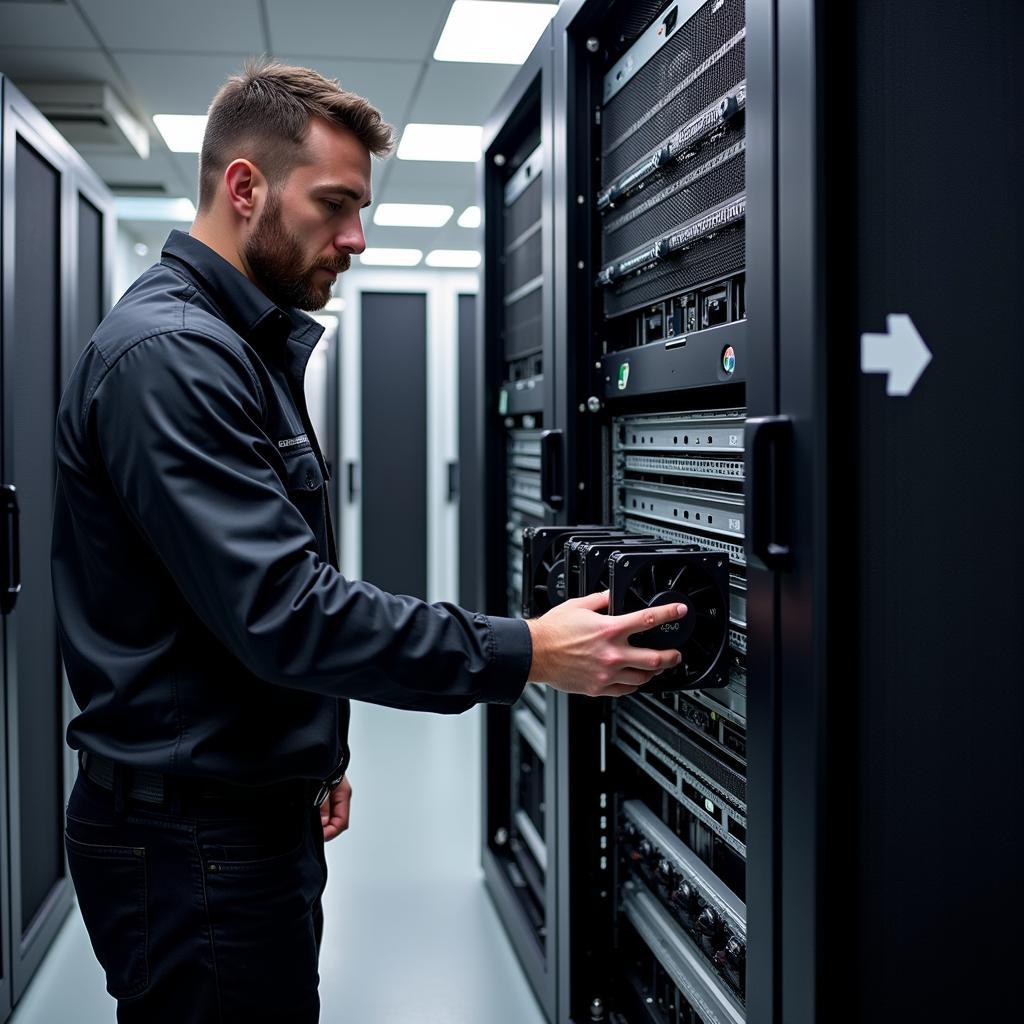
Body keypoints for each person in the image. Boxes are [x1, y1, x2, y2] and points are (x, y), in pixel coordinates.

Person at [50, 60, 687, 1023]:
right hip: (194, 842)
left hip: (229, 809)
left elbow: (230, 608)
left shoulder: (233, 347)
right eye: (336, 205)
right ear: (244, 187)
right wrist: (527, 651)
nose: (356, 236)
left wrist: (314, 748)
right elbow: (284, 609)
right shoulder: (173, 357)